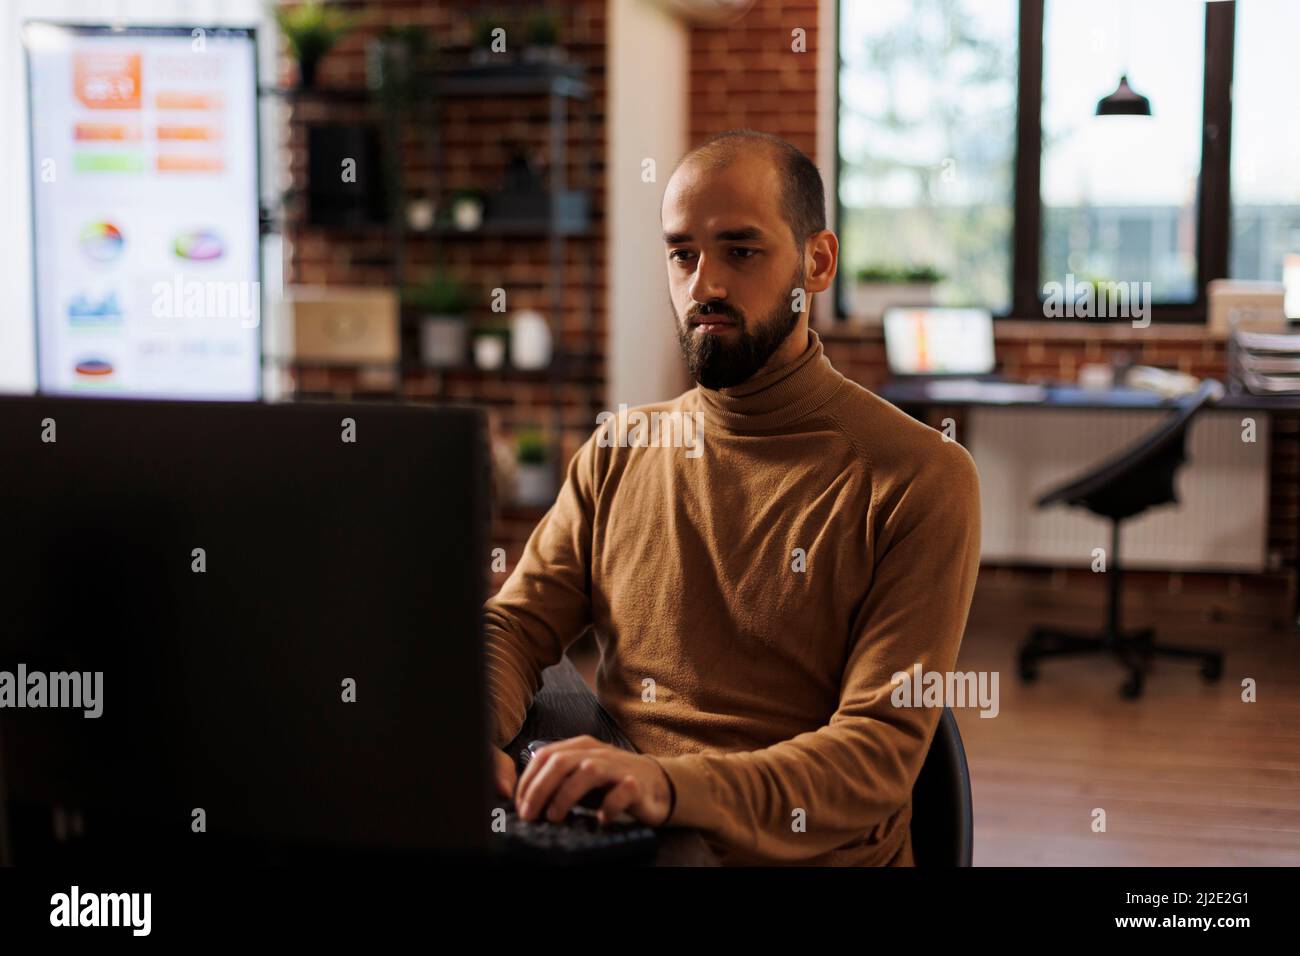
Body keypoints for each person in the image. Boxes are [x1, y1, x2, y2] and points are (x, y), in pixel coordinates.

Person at [484, 129, 981, 865]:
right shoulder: (618, 451)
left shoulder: (919, 477)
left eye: (740, 252)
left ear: (816, 262)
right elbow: (516, 628)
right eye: (682, 254)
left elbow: (876, 756)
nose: (703, 285)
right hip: (629, 841)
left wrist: (670, 787)